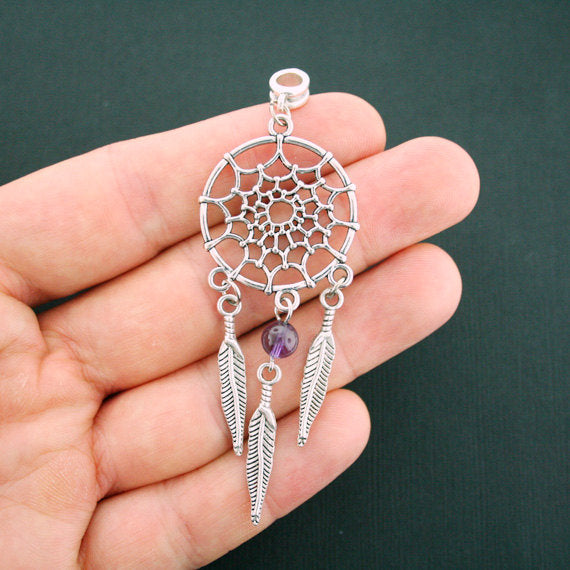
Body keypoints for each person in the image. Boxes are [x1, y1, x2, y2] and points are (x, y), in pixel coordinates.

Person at [0, 93, 478, 568]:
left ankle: (273, 461)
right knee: (259, 387)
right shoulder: (246, 193)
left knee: (275, 383)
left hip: (281, 272)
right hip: (254, 273)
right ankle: (254, 471)